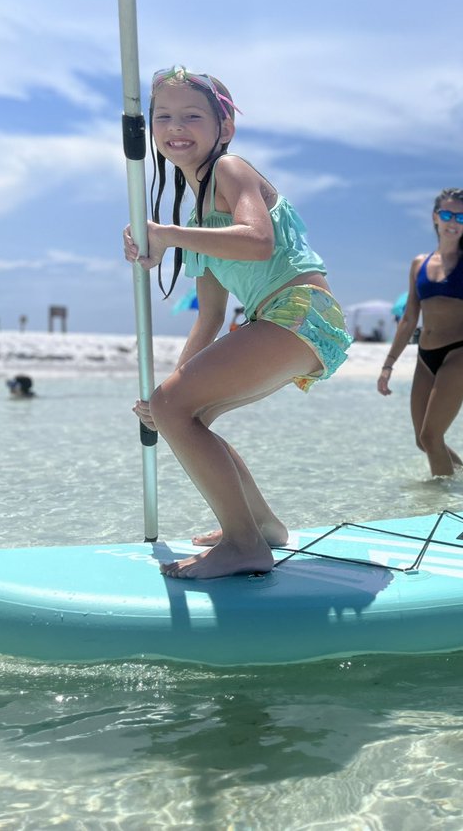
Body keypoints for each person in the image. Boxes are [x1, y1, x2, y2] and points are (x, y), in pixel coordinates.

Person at [122, 66, 352, 579]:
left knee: (177, 408)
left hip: (300, 311)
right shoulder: (200, 221)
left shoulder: (231, 169)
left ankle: (245, 545)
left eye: (192, 115)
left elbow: (258, 239)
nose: (175, 125)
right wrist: (171, 391)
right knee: (185, 413)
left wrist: (167, 234)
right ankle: (262, 528)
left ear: (223, 127)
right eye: (163, 116)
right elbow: (210, 316)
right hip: (286, 320)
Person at [376, 188, 463, 476]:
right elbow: (408, 318)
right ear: (435, 217)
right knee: (425, 440)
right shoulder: (418, 263)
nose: (453, 221)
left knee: (431, 436)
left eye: (460, 215)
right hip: (425, 356)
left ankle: (442, 502)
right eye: (447, 214)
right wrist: (388, 366)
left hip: (459, 353)